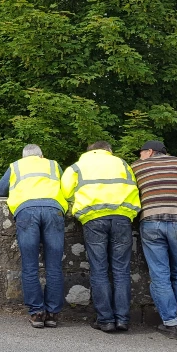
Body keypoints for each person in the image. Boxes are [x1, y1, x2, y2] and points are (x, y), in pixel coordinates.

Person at [61, 141, 140, 333]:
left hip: (93, 218)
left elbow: (65, 191)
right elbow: (134, 186)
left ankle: (105, 320)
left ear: (90, 151)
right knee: (121, 270)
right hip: (122, 217)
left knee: (99, 270)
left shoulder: (78, 166)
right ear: (109, 151)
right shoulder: (122, 164)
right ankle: (122, 319)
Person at [0, 144, 66, 329]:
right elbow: (66, 188)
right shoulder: (53, 164)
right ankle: (52, 313)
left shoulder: (16, 166)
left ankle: (36, 313)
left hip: (26, 211)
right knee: (54, 266)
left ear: (24, 156)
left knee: (30, 265)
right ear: (41, 156)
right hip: (53, 210)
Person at [131, 140, 177, 339]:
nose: (140, 155)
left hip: (151, 219)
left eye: (141, 152)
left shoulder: (136, 166)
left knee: (160, 274)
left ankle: (171, 324)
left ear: (150, 152)